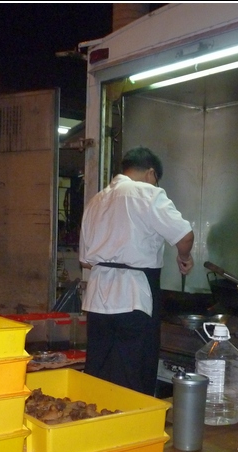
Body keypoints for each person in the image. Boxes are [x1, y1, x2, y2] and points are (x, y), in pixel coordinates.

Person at [79, 146, 194, 395]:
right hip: (134, 297)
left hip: (98, 298)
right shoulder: (148, 193)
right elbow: (185, 236)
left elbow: (86, 261)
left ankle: (95, 426)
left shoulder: (96, 200)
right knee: (134, 370)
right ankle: (133, 426)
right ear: (151, 173)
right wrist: (184, 258)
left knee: (100, 369)